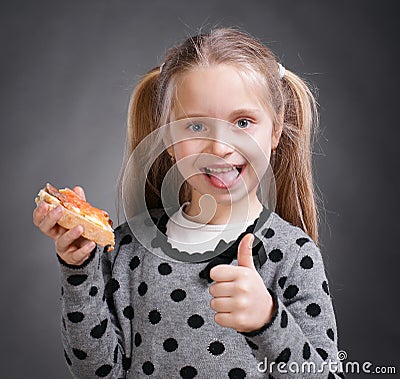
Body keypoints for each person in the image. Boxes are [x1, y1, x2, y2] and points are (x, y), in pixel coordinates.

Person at [33, 27, 345, 378]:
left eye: (242, 122)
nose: (220, 148)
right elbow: (97, 372)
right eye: (196, 126)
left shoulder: (292, 254)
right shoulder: (126, 251)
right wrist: (79, 267)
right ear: (166, 137)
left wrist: (267, 321)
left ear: (274, 131)